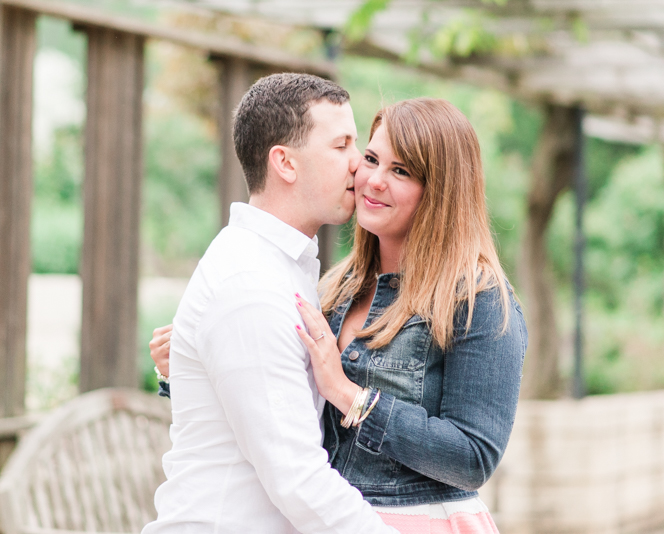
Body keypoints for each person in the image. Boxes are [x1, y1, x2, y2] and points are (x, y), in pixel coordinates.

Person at [151, 97, 527, 533]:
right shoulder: (334, 290)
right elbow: (282, 417)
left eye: (401, 171)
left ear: (441, 192)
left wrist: (351, 396)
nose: (372, 180)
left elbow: (473, 458)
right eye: (370, 158)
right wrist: (195, 363)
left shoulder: (479, 300)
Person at [141, 73, 397, 534]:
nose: (359, 165)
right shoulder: (250, 286)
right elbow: (296, 477)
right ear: (285, 163)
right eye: (341, 146)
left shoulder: (279, 268)